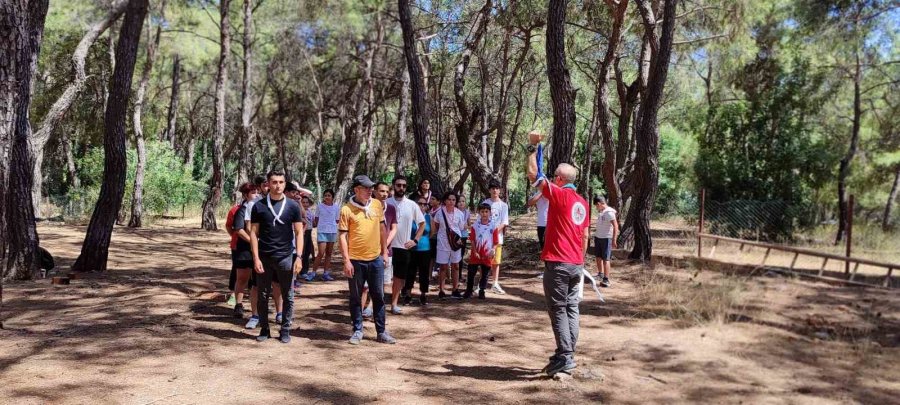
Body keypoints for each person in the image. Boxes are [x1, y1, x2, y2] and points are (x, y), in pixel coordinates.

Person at [527, 132, 590, 377]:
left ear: (561, 179)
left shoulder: (560, 194)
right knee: (572, 308)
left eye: (554, 177)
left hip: (559, 262)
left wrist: (532, 146)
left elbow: (533, 174)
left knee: (558, 309)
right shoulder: (583, 202)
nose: (551, 179)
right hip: (576, 263)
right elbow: (585, 235)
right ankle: (566, 353)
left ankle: (564, 356)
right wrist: (581, 261)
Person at [339, 175, 396, 345]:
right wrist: (346, 261)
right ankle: (357, 330)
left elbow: (382, 229)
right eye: (366, 188)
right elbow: (342, 236)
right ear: (356, 189)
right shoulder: (346, 210)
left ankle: (381, 331)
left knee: (378, 295)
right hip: (356, 261)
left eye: (371, 187)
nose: (370, 190)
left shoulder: (377, 204)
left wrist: (384, 252)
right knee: (356, 297)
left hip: (375, 259)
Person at [249, 170, 304, 343]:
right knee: (263, 295)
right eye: (274, 182)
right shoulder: (259, 206)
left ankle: (285, 328)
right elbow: (253, 233)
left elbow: (299, 232)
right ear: (268, 183)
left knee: (288, 295)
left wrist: (299, 257)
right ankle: (265, 328)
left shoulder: (293, 206)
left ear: (285, 183)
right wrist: (256, 258)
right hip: (264, 257)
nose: (278, 185)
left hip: (286, 256)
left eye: (281, 182)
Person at [385, 176, 426, 313]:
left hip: (404, 247)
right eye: (398, 185)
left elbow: (422, 223)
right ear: (393, 186)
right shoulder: (385, 202)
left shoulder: (412, 205)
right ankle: (371, 305)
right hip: (386, 246)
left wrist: (415, 240)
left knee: (399, 277)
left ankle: (394, 304)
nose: (401, 188)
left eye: (403, 185)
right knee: (381, 277)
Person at [361, 182, 398, 318]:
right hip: (367, 251)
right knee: (365, 286)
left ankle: (374, 310)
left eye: (387, 192)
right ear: (374, 191)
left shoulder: (391, 208)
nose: (384, 194)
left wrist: (385, 246)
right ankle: (359, 315)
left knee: (382, 283)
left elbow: (394, 228)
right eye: (381, 191)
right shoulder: (366, 207)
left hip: (387, 252)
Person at [226, 183, 259, 319]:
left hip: (258, 249)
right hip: (244, 250)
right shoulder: (241, 210)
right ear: (245, 195)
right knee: (242, 278)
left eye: (257, 192)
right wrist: (253, 242)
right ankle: (238, 305)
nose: (256, 195)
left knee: (256, 280)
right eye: (253, 193)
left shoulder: (260, 208)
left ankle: (256, 308)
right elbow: (238, 230)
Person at [431, 191, 466, 299]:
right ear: (445, 201)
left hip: (455, 243)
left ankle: (455, 289)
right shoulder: (439, 213)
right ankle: (441, 290)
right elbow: (436, 226)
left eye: (453, 200)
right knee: (443, 266)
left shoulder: (459, 213)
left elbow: (461, 227)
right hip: (442, 243)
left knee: (456, 265)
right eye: (449, 199)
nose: (451, 202)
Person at [465, 203, 499, 299]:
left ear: (490, 213)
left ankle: (482, 290)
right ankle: (468, 290)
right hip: (476, 253)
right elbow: (472, 239)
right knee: (471, 272)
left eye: (486, 211)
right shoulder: (475, 225)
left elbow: (496, 241)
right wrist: (474, 251)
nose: (484, 214)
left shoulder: (493, 226)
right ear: (479, 212)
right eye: (482, 211)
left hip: (487, 253)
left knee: (485, 274)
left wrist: (493, 249)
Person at [483, 181, 509, 294]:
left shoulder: (503, 205)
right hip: (484, 238)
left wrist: (494, 231)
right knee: (484, 260)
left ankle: (495, 283)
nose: (494, 191)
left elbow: (504, 222)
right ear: (489, 190)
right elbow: (481, 219)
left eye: (496, 188)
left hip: (497, 238)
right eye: (492, 188)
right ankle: (482, 283)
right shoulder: (485, 203)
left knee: (496, 261)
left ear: (500, 190)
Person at [309, 189, 340, 282]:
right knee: (321, 253)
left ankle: (325, 273)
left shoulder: (336, 207)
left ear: (332, 197)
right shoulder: (320, 206)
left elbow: (337, 220)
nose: (327, 197)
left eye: (329, 195)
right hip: (322, 231)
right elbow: (316, 218)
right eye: (325, 195)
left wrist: (331, 226)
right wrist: (321, 226)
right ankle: (313, 273)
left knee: (329, 254)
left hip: (332, 232)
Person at [409, 196, 433, 305]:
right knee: (410, 272)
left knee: (424, 272)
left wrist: (424, 239)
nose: (422, 206)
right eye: (420, 203)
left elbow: (432, 231)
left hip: (425, 249)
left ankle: (423, 294)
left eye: (424, 204)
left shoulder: (428, 217)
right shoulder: (410, 217)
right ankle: (408, 293)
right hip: (412, 249)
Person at [593, 196, 619, 288]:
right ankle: (600, 274)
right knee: (598, 257)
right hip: (598, 237)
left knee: (606, 259)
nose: (596, 208)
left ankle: (606, 279)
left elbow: (616, 226)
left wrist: (614, 239)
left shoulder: (609, 212)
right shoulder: (602, 212)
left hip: (606, 238)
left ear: (599, 204)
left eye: (596, 206)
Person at [527, 191, 550, 278]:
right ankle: (547, 270)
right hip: (541, 224)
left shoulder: (552, 191)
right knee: (543, 248)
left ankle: (551, 271)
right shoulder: (537, 193)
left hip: (550, 224)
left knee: (550, 248)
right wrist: (541, 192)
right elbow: (530, 202)